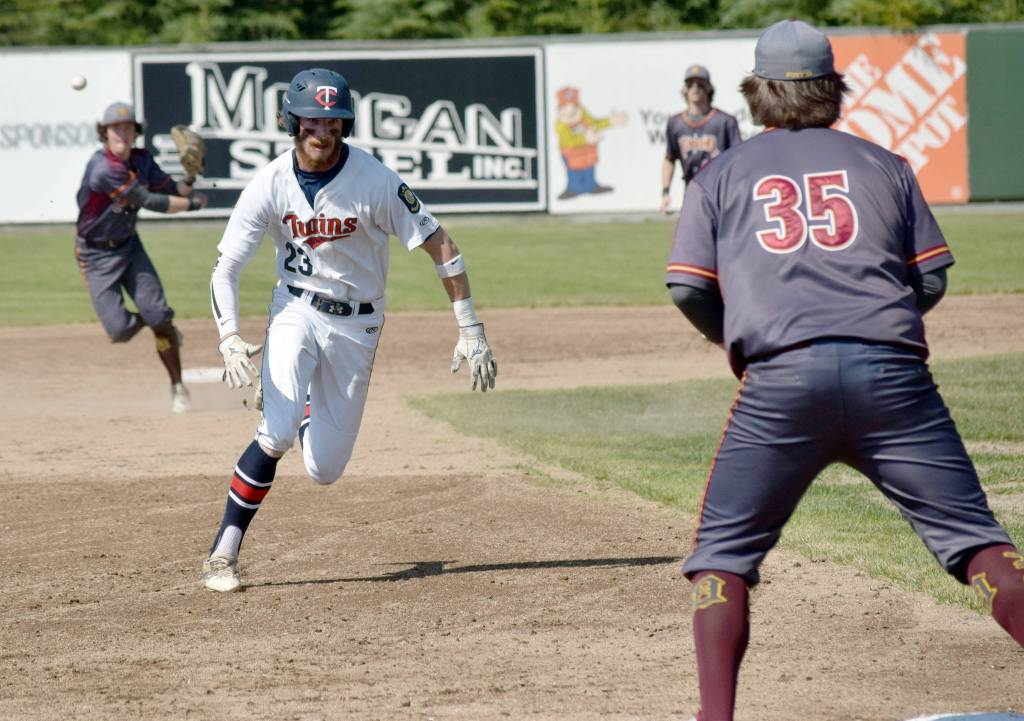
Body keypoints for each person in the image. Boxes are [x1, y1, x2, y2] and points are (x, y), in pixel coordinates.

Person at [665, 20, 1024, 721]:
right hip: (894, 380)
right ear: (832, 89)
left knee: (722, 558)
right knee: (979, 545)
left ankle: (715, 717)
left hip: (780, 381)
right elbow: (932, 279)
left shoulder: (719, 175)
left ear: (758, 92)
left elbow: (687, 286)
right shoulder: (885, 163)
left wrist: (734, 338)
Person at [201, 68, 498, 593]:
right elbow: (225, 269)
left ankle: (303, 403)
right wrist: (228, 335)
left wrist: (469, 327)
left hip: (358, 326)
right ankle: (224, 551)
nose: (324, 130)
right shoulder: (269, 183)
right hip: (294, 308)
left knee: (324, 469)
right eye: (313, 119)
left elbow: (443, 247)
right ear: (292, 122)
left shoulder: (375, 181)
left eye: (334, 120)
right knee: (276, 432)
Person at [74, 101, 208, 413]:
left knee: (159, 316)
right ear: (104, 133)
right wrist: (194, 205)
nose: (122, 131)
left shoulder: (142, 160)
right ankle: (162, 323)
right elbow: (150, 201)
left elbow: (173, 189)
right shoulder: (103, 168)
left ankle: (178, 386)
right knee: (119, 330)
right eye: (115, 127)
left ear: (135, 132)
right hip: (94, 254)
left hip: (129, 246)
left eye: (127, 126)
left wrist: (190, 178)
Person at [659, 65, 741, 214]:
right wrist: (665, 192)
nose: (695, 88)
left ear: (709, 87)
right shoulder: (675, 123)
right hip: (692, 191)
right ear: (684, 89)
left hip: (720, 193)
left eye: (700, 84)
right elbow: (669, 158)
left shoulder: (725, 122)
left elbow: (738, 162)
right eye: (690, 84)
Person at [554, 86, 627, 199]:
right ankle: (572, 189)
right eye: (565, 107)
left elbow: (595, 124)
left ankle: (591, 186)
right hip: (571, 154)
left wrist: (610, 121)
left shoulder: (583, 114)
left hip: (588, 153)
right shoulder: (560, 125)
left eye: (573, 107)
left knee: (589, 170)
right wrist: (585, 138)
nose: (570, 111)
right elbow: (568, 141)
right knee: (574, 173)